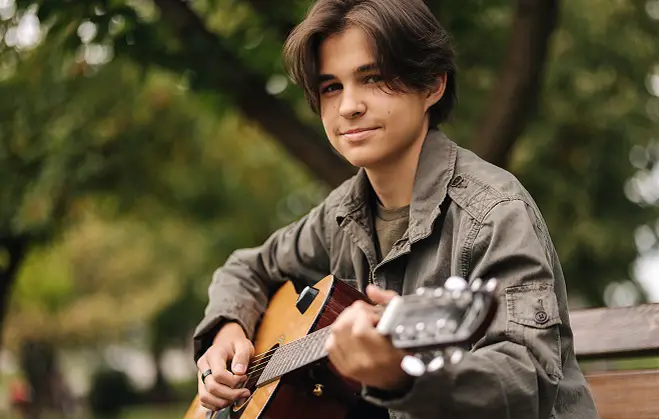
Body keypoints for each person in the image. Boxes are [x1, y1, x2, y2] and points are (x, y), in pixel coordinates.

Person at [192, 0, 599, 417]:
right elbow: (246, 267)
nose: (348, 106)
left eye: (372, 78)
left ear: (432, 85)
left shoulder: (494, 212)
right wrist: (229, 329)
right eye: (332, 87)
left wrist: (404, 378)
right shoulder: (343, 212)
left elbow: (525, 380)